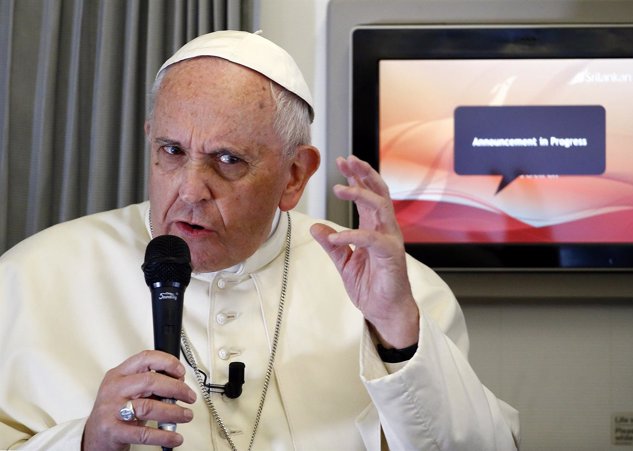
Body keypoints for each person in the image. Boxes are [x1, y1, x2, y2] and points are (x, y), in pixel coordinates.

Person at [0, 30, 519, 450]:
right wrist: (85, 442)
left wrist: (399, 335)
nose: (190, 190)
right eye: (172, 150)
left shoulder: (393, 295)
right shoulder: (31, 277)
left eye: (228, 160)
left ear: (294, 175)